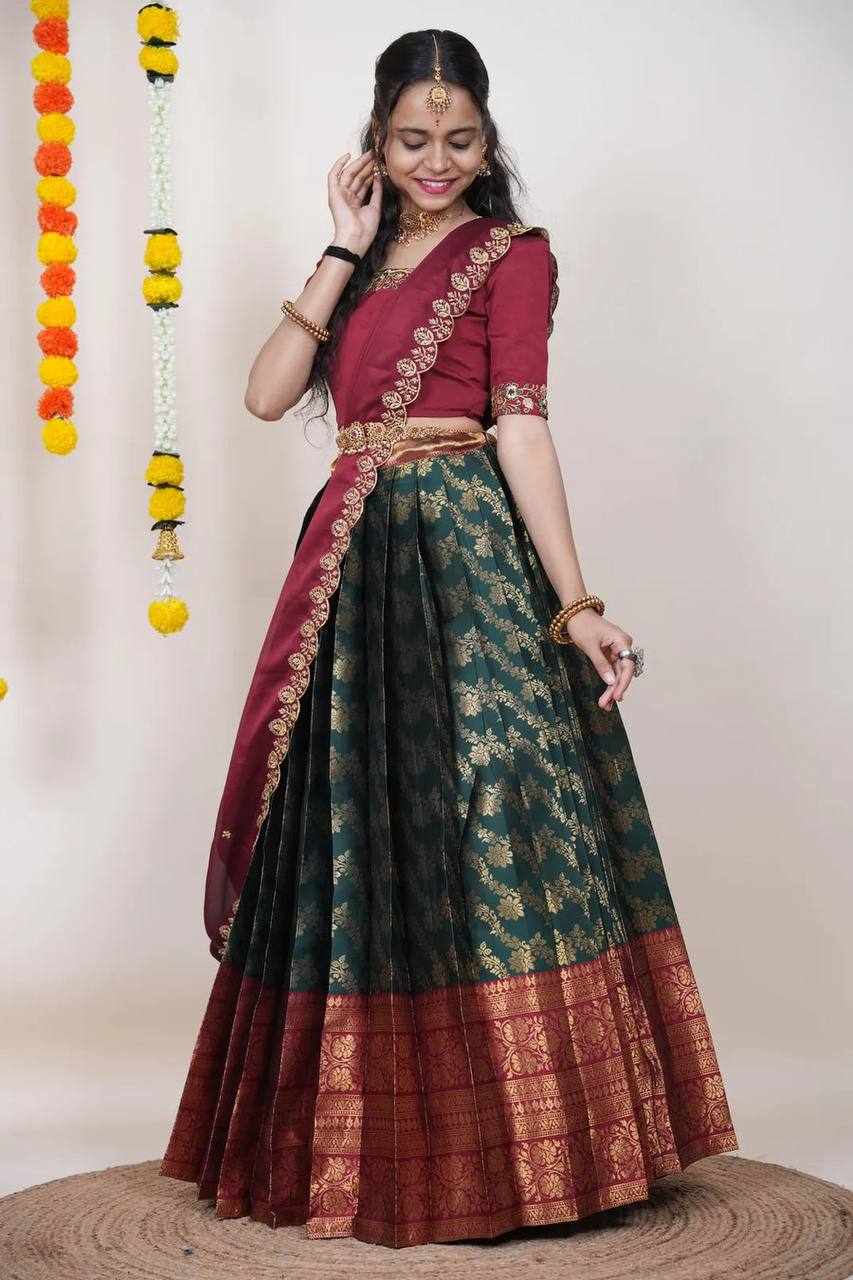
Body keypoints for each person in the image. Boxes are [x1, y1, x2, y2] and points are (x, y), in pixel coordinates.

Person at [159, 28, 738, 1249]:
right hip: (352, 561)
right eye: (413, 139)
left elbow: (520, 427)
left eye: (460, 140)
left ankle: (537, 1146)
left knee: (494, 806)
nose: (437, 160)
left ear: (488, 140)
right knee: (356, 830)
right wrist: (340, 244)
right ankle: (366, 1146)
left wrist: (575, 604)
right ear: (375, 141)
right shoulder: (363, 260)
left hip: (464, 548)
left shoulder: (511, 256)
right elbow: (267, 394)